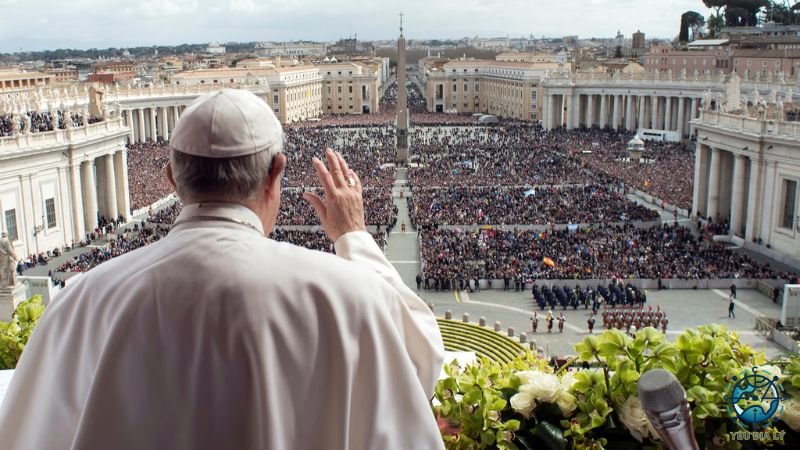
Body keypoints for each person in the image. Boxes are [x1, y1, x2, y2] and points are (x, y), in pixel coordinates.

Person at [0, 89, 446, 450]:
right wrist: (353, 236)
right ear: (276, 174)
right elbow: (422, 362)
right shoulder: (350, 296)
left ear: (172, 181)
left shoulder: (83, 300)